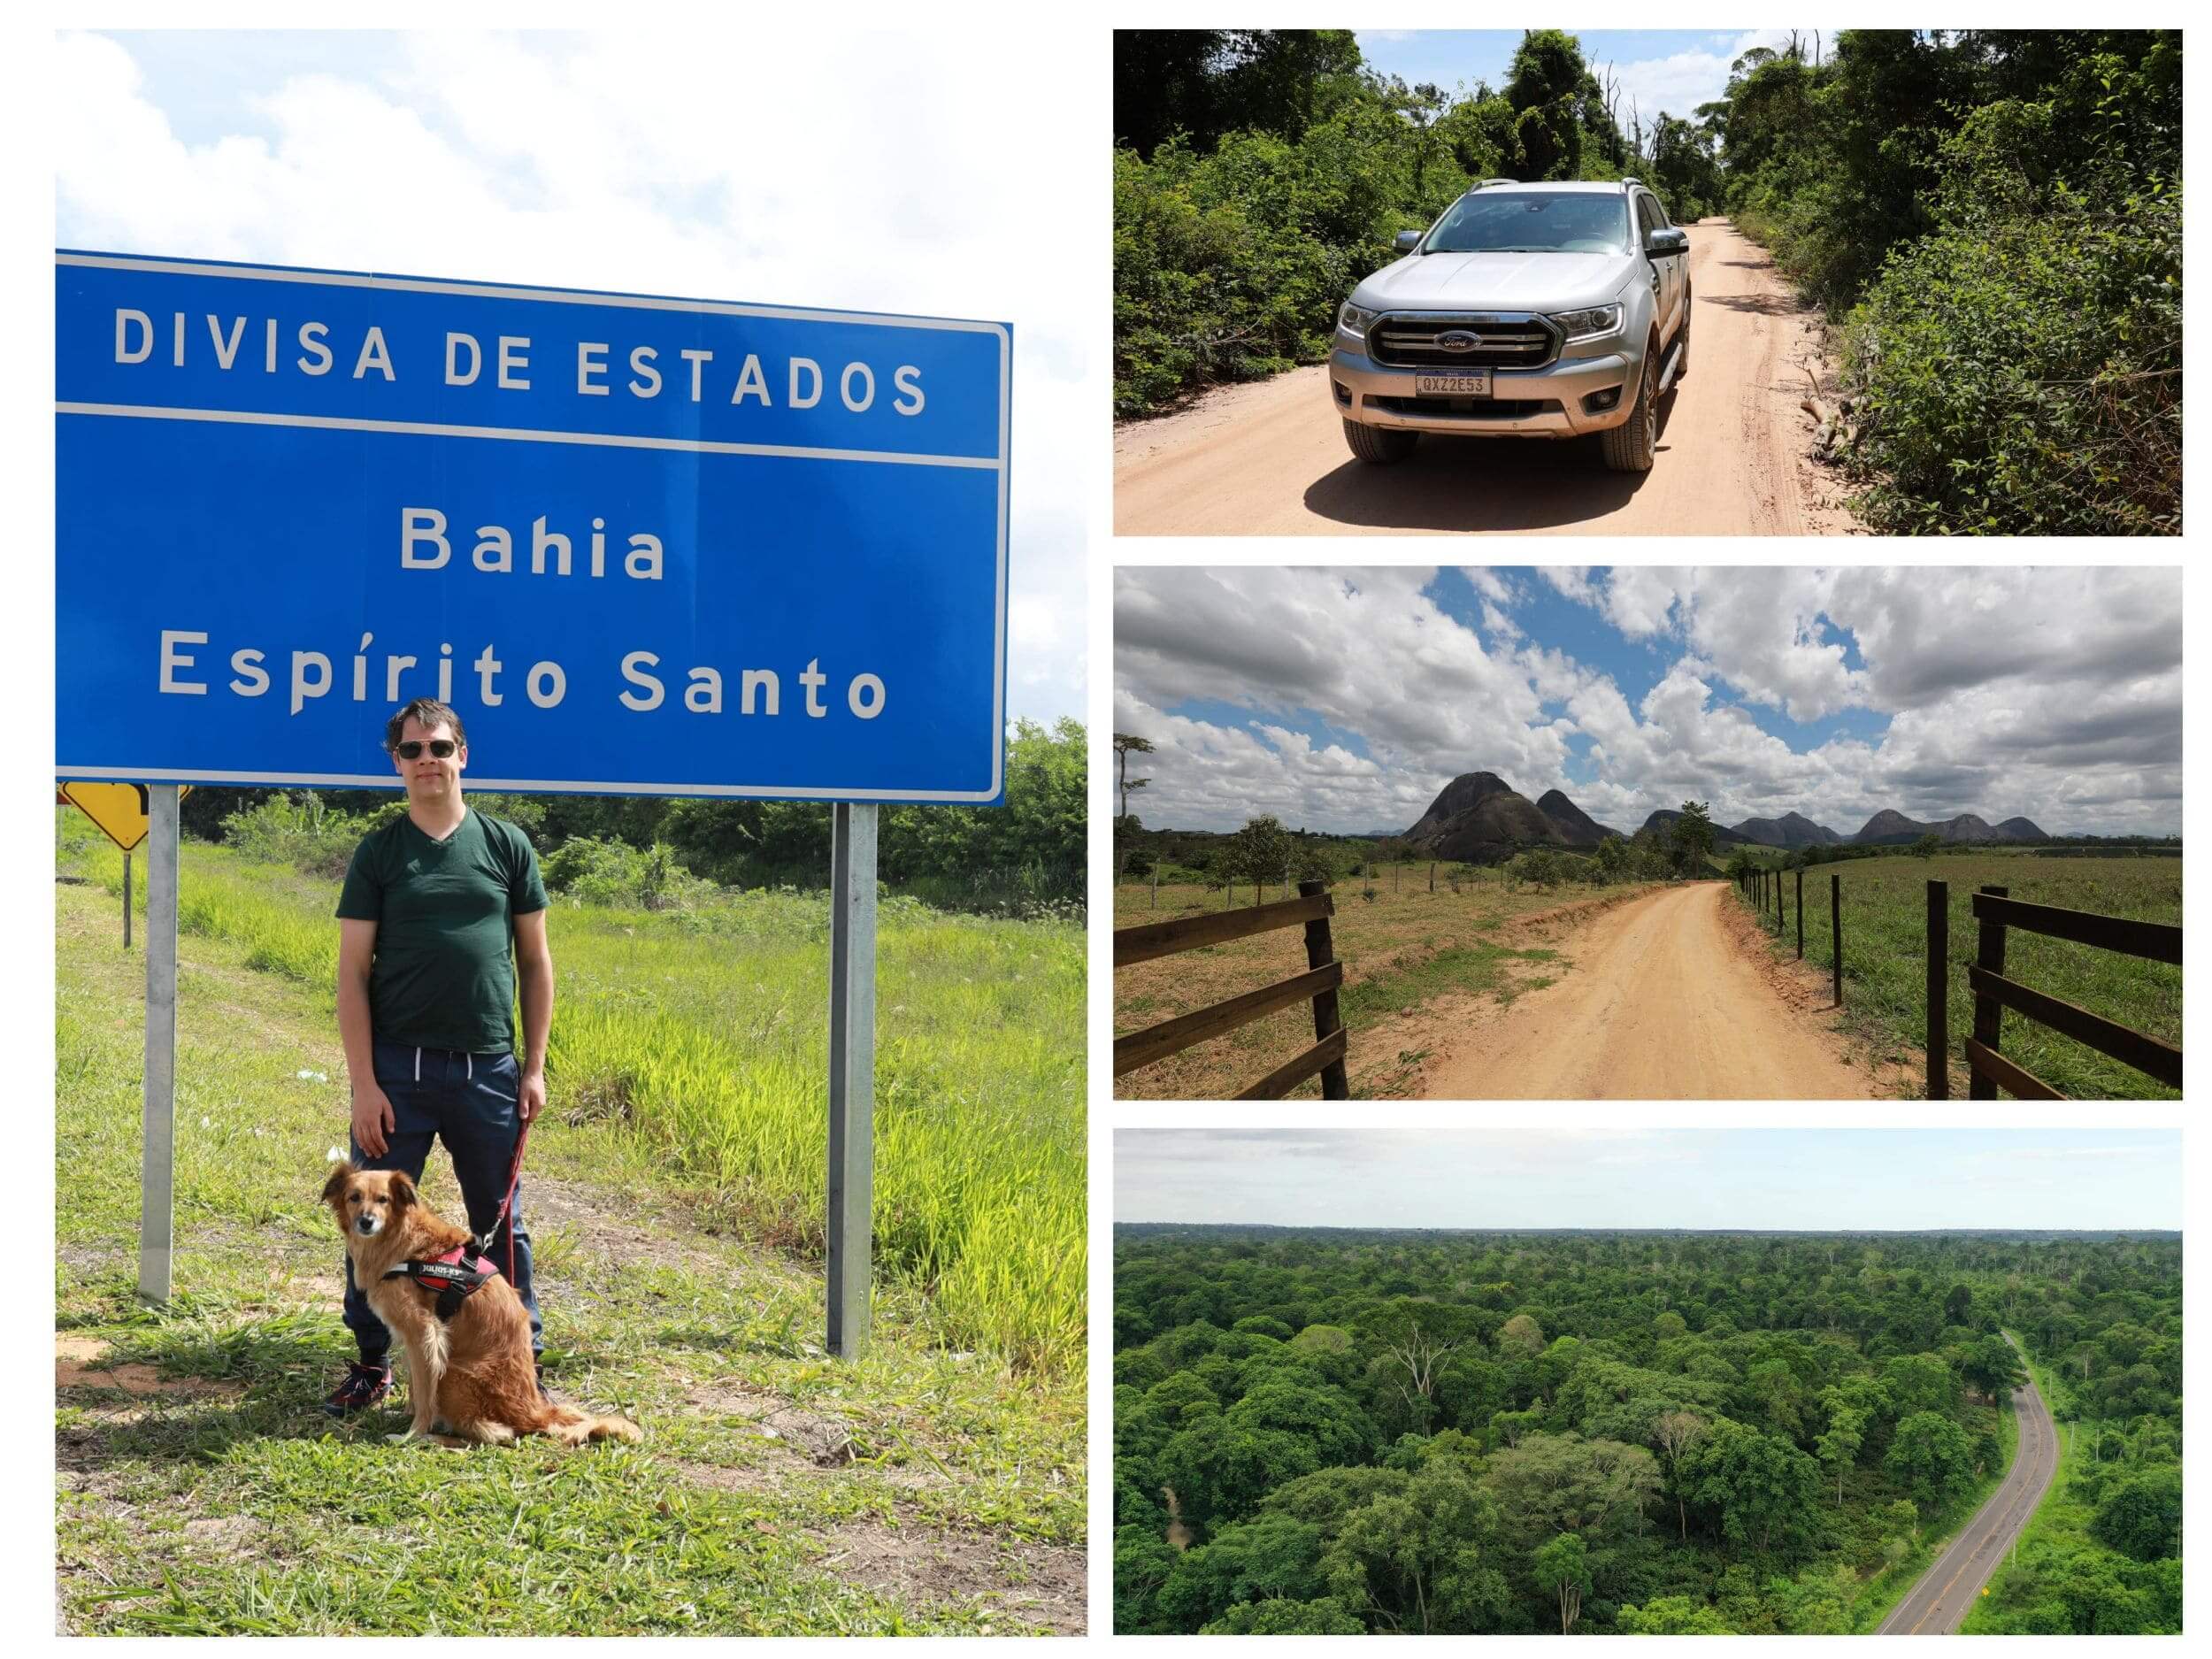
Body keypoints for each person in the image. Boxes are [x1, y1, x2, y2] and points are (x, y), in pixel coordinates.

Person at [323, 697, 555, 1416]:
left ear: (464, 755)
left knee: (501, 1222)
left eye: (442, 746)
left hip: (488, 1069)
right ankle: (372, 1360)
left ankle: (522, 1364)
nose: (430, 759)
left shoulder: (506, 845)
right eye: (415, 749)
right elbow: (352, 972)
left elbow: (536, 961)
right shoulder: (382, 852)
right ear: (397, 762)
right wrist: (364, 1082)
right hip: (400, 1072)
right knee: (375, 1221)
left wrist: (536, 1066)